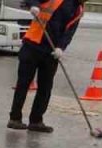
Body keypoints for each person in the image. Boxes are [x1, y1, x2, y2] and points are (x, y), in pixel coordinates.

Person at [9, 0, 84, 132]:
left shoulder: (78, 10)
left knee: (45, 87)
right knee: (23, 83)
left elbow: (69, 32)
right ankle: (15, 118)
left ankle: (36, 121)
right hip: (33, 44)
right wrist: (34, 5)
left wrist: (61, 47)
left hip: (51, 51)